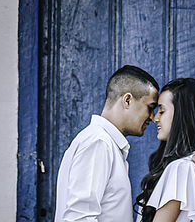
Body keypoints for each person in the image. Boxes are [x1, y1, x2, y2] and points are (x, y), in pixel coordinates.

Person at [54, 65, 160, 222]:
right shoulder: (98, 143)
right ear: (128, 100)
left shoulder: (105, 144)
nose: (152, 117)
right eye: (150, 108)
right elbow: (79, 218)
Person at [134, 78, 195, 222]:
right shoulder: (193, 163)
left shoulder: (182, 168)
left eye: (162, 111)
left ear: (182, 115)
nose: (155, 118)